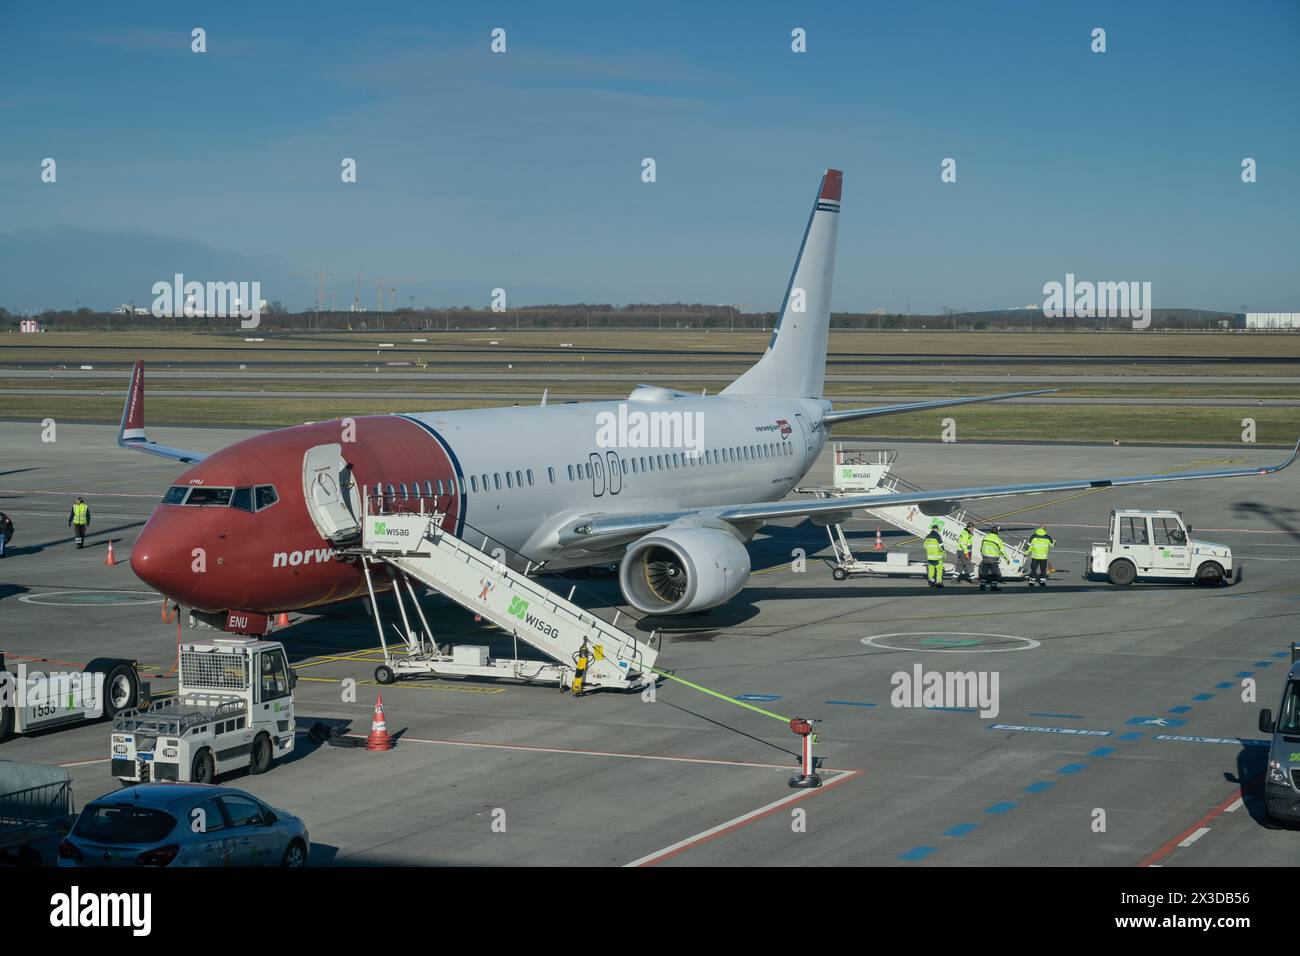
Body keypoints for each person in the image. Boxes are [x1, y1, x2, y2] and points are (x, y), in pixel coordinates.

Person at [979, 525, 1007, 592]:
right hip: (993, 558)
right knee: (994, 573)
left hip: (985, 557)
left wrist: (982, 555)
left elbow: (981, 548)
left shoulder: (985, 537)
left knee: (984, 573)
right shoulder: (998, 540)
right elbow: (1002, 550)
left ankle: (982, 586)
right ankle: (993, 587)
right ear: (997, 532)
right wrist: (1007, 559)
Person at [923, 520, 945, 589]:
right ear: (937, 529)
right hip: (937, 557)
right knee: (939, 570)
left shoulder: (927, 536)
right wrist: (942, 552)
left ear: (932, 529)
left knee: (931, 570)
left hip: (930, 557)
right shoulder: (938, 536)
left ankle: (931, 582)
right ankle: (939, 582)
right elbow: (941, 547)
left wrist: (930, 551)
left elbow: (924, 546)